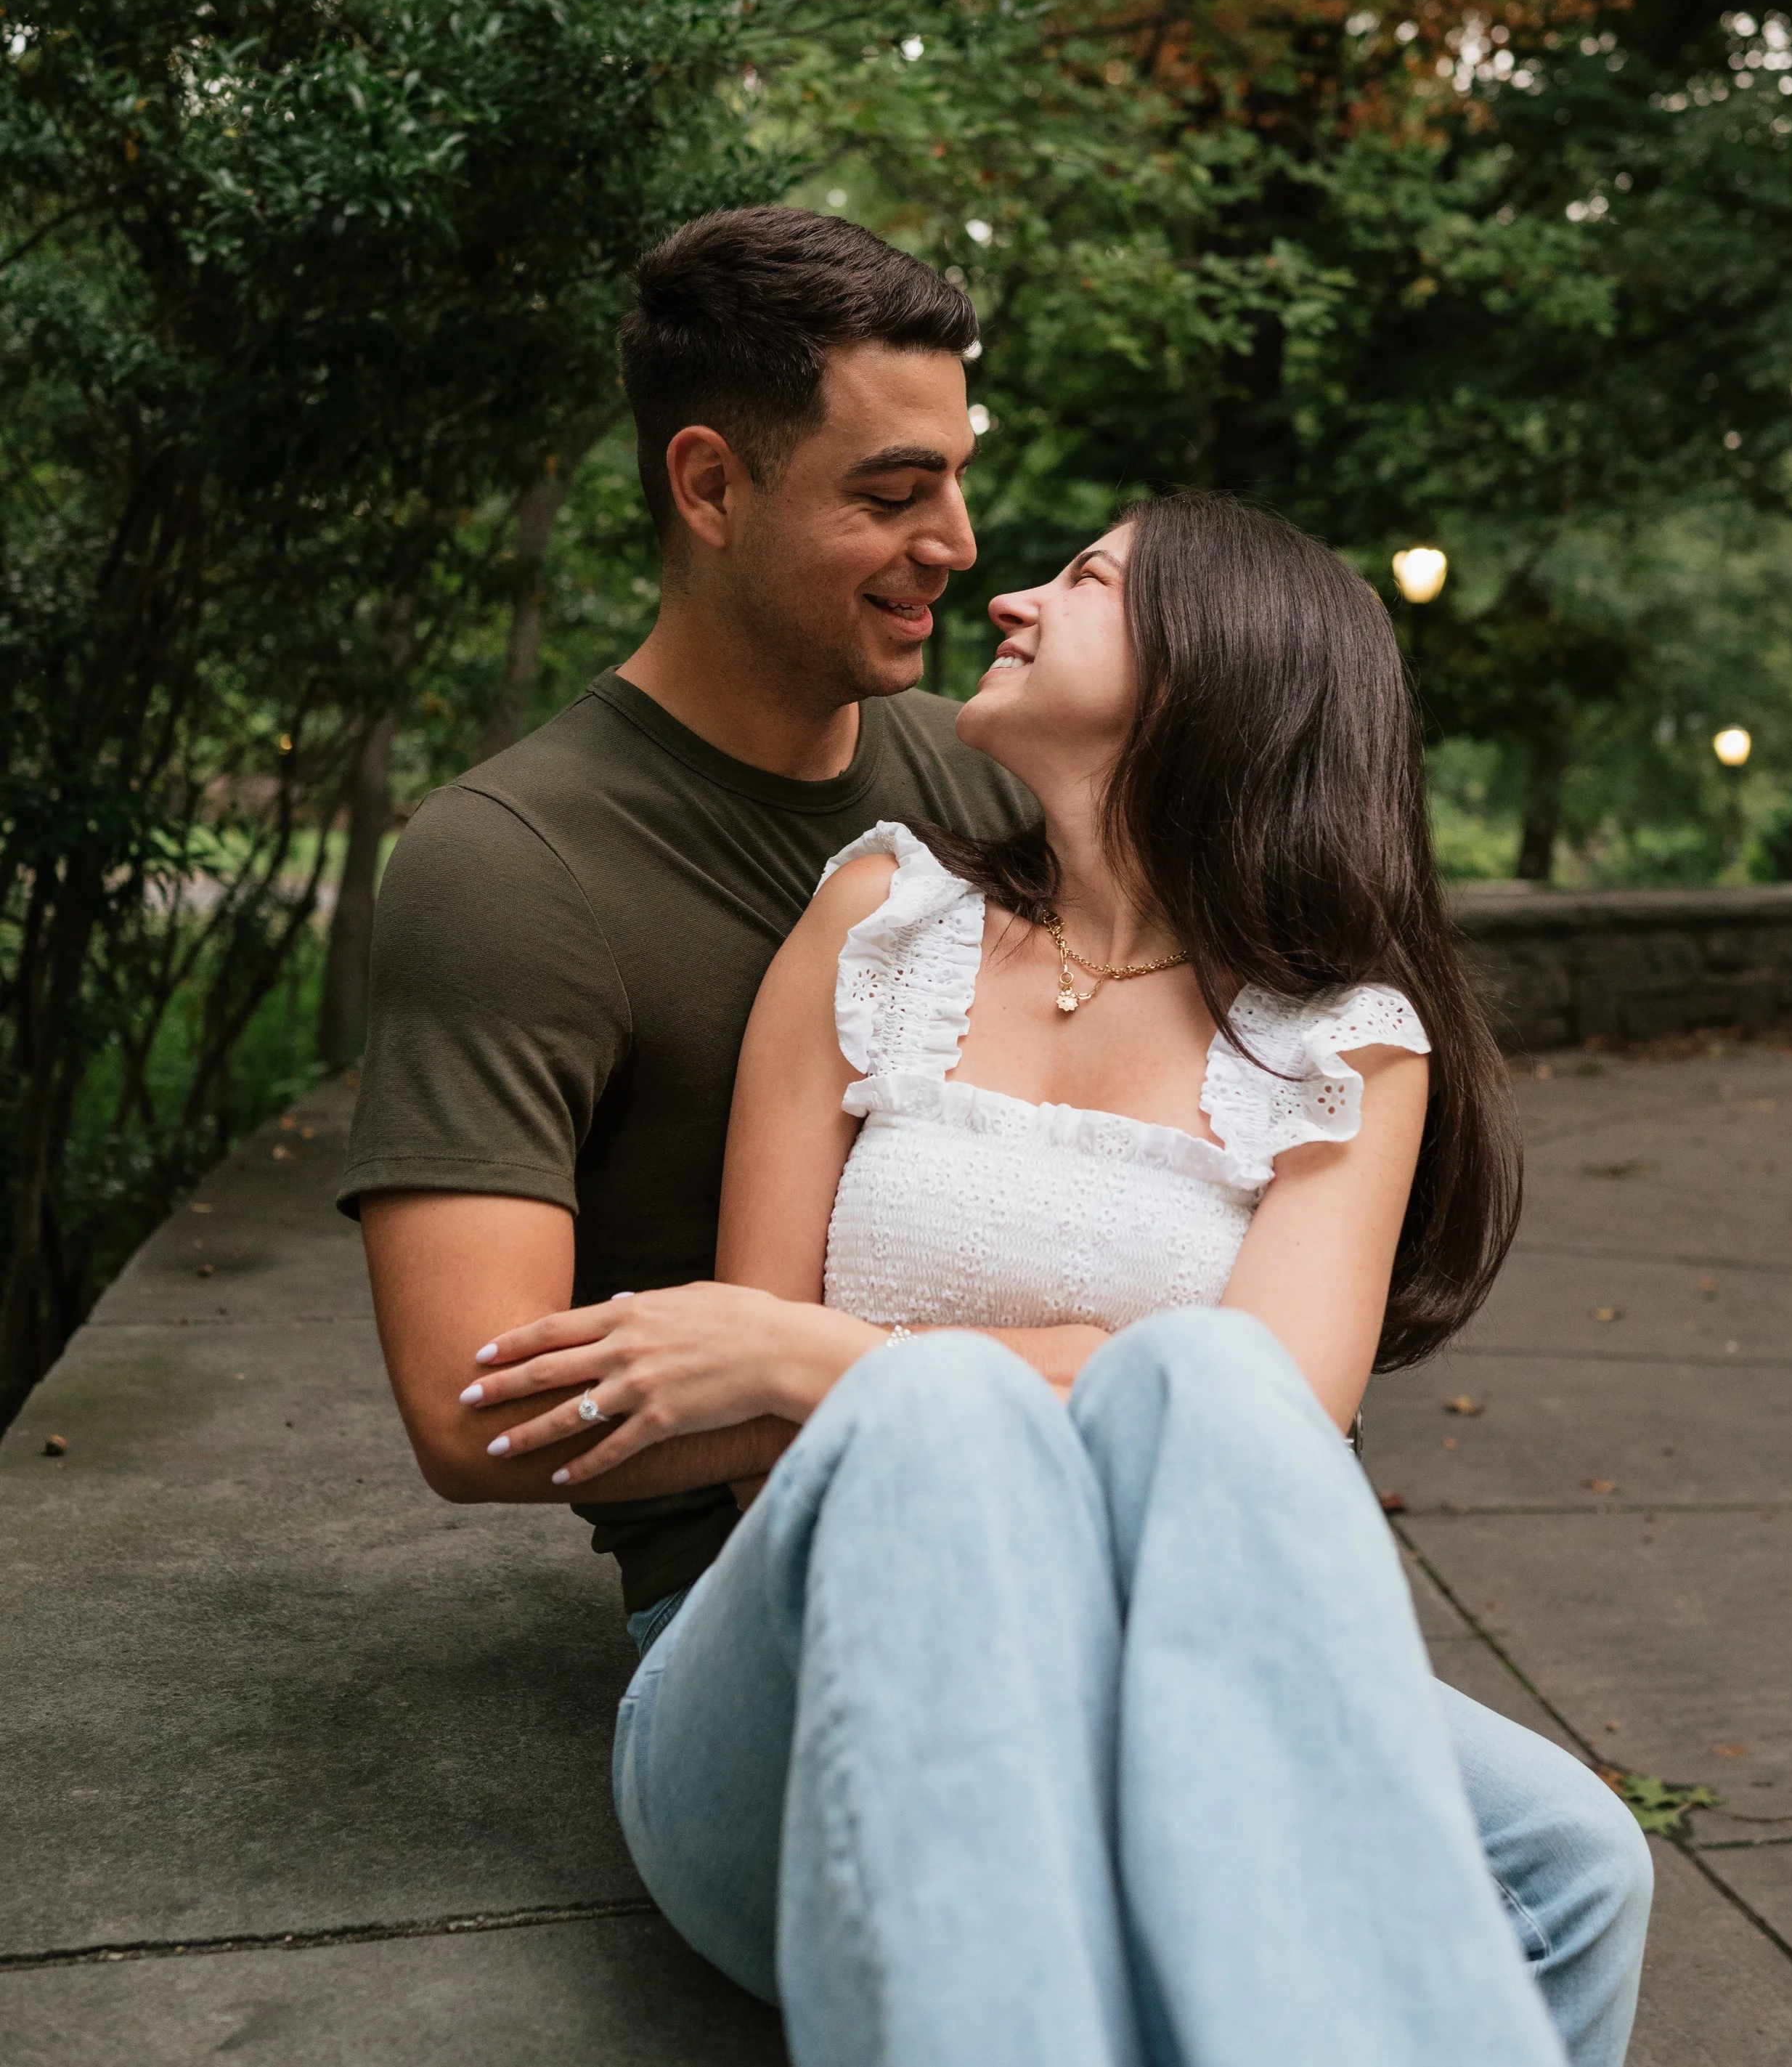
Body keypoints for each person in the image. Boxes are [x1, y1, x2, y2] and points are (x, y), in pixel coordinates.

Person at [342, 210, 1652, 2065]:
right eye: (897, 492)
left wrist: (812, 1353)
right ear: (708, 487)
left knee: (1571, 1859)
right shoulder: (601, 876)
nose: (969, 557)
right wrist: (949, 1382)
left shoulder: (976, 781)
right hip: (788, 1601)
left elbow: (1257, 1405)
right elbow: (483, 1408)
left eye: (964, 486)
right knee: (963, 1423)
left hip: (1128, 1581)